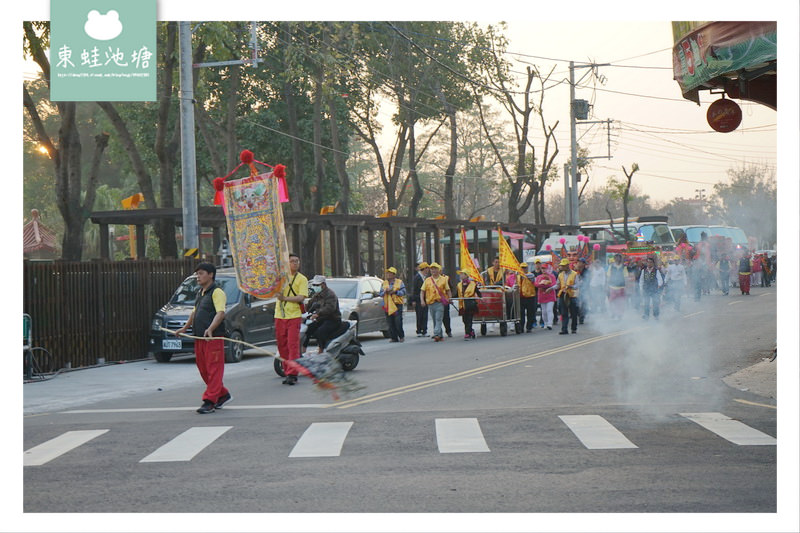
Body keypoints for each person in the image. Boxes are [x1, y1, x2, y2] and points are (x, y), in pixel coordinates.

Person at [176, 263, 231, 414]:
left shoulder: (217, 292)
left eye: (201, 273)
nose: (198, 277)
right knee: (203, 370)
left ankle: (209, 401)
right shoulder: (200, 293)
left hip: (212, 338)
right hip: (199, 337)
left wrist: (211, 328)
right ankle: (223, 394)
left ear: (211, 275)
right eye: (197, 274)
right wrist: (184, 328)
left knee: (214, 369)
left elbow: (220, 313)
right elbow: (194, 313)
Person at [274, 253, 308, 385]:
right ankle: (287, 369)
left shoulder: (302, 279)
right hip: (279, 315)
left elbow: (301, 297)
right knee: (282, 346)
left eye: (297, 261)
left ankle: (292, 374)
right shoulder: (281, 278)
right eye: (292, 261)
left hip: (293, 316)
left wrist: (285, 299)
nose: (295, 263)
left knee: (292, 345)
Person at [305, 275, 342, 353]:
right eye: (314, 285)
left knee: (320, 332)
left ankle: (321, 351)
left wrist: (318, 314)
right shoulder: (316, 295)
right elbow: (310, 305)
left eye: (317, 285)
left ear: (323, 285)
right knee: (307, 329)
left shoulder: (330, 294)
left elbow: (330, 308)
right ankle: (303, 351)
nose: (315, 287)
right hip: (321, 319)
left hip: (332, 319)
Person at [420, 262, 451, 342]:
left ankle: (436, 333)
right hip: (430, 303)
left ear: (439, 270)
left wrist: (450, 298)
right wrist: (422, 300)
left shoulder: (444, 279)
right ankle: (440, 336)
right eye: (432, 269)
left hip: (440, 302)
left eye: (435, 269)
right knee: (435, 319)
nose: (433, 270)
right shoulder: (427, 280)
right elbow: (422, 291)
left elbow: (448, 290)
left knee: (438, 318)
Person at [380, 267, 406, 343]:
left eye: (390, 273)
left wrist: (395, 292)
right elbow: (380, 294)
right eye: (387, 273)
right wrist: (385, 291)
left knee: (398, 322)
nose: (388, 275)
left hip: (397, 304)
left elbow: (403, 292)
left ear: (394, 274)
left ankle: (401, 336)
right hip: (387, 305)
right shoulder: (384, 283)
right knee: (390, 322)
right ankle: (393, 337)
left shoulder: (399, 282)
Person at [555, 258, 579, 335]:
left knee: (573, 313)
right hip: (563, 295)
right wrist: (551, 288)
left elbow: (577, 285)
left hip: (572, 295)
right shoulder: (560, 275)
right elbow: (558, 285)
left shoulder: (574, 274)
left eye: (563, 266)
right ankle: (564, 329)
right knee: (563, 312)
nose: (561, 267)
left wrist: (570, 286)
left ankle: (574, 328)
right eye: (561, 266)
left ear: (567, 266)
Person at [456, 270, 480, 340]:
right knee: (464, 320)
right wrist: (450, 298)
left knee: (469, 319)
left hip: (470, 304)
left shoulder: (473, 284)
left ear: (466, 275)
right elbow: (457, 294)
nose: (461, 275)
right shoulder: (459, 285)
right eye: (460, 274)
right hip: (463, 305)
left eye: (462, 274)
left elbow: (477, 292)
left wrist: (480, 297)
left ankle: (467, 333)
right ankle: (471, 331)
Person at [534, 261, 557, 330]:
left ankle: (550, 324)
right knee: (543, 311)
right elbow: (536, 284)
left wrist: (546, 284)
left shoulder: (552, 276)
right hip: (542, 296)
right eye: (542, 268)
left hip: (550, 295)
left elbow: (554, 284)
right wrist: (543, 284)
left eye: (545, 268)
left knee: (549, 310)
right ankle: (546, 323)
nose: (544, 270)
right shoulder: (539, 277)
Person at [517, 262, 537, 332]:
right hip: (521, 297)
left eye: (525, 268)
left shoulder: (531, 275)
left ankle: (529, 327)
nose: (523, 269)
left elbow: (527, 276)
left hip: (530, 296)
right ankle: (521, 327)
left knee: (530, 313)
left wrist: (519, 274)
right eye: (522, 268)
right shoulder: (517, 277)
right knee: (521, 313)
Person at [411, 262, 430, 337]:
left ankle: (424, 330)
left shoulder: (425, 277)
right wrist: (413, 300)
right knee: (419, 315)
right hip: (418, 299)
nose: (428, 270)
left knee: (425, 315)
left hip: (426, 299)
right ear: (424, 269)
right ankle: (419, 330)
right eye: (427, 268)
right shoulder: (417, 277)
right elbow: (414, 290)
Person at [606, 253, 627, 320]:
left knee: (620, 302)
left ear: (620, 259)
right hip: (612, 286)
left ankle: (619, 315)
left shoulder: (624, 267)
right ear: (614, 259)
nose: (617, 259)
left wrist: (626, 287)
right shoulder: (611, 266)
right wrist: (607, 286)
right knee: (611, 301)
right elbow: (608, 276)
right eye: (616, 257)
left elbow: (626, 277)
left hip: (621, 287)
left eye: (619, 257)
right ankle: (613, 313)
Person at [573, 258, 588, 324]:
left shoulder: (587, 271)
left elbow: (587, 280)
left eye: (581, 262)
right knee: (576, 304)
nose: (579, 263)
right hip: (576, 289)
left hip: (584, 289)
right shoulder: (574, 271)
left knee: (583, 303)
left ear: (584, 264)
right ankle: (578, 314)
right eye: (578, 262)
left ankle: (582, 317)